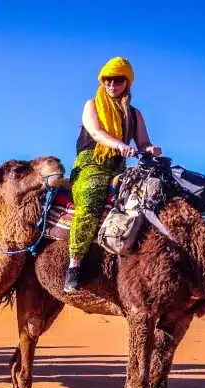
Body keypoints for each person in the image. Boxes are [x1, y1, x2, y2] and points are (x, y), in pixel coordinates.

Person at [64, 57, 162, 293]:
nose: (111, 85)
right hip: (91, 163)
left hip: (119, 166)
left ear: (126, 83)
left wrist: (151, 149)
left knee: (147, 196)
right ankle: (74, 265)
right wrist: (118, 144)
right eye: (107, 80)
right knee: (92, 196)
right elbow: (96, 133)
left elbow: (144, 142)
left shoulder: (135, 114)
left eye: (117, 80)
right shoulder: (92, 105)